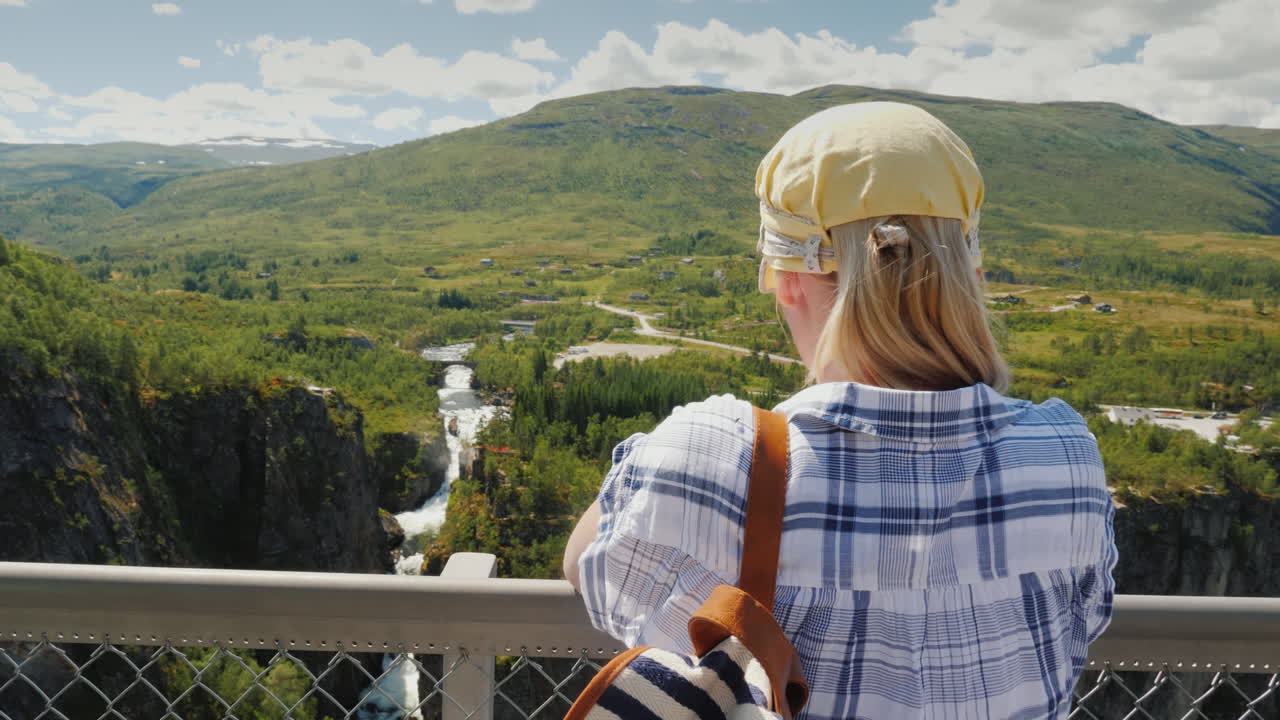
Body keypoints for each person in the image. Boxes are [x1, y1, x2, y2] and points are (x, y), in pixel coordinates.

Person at [562, 102, 1116, 720]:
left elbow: (587, 560)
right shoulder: (1065, 456)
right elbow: (1080, 622)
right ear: (971, 270)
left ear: (784, 277)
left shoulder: (716, 454)